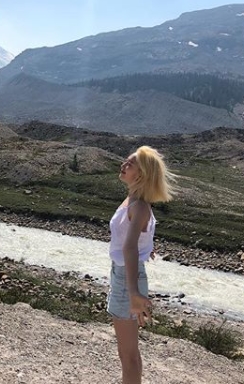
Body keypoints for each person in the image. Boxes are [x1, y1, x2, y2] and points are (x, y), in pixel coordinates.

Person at [107, 145, 176, 384]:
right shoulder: (134, 201)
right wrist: (148, 247)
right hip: (124, 275)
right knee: (127, 353)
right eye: (126, 161)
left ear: (142, 174)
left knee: (129, 356)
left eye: (130, 164)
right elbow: (136, 237)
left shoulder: (139, 206)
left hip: (128, 279)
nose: (124, 165)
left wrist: (134, 292)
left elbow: (129, 247)